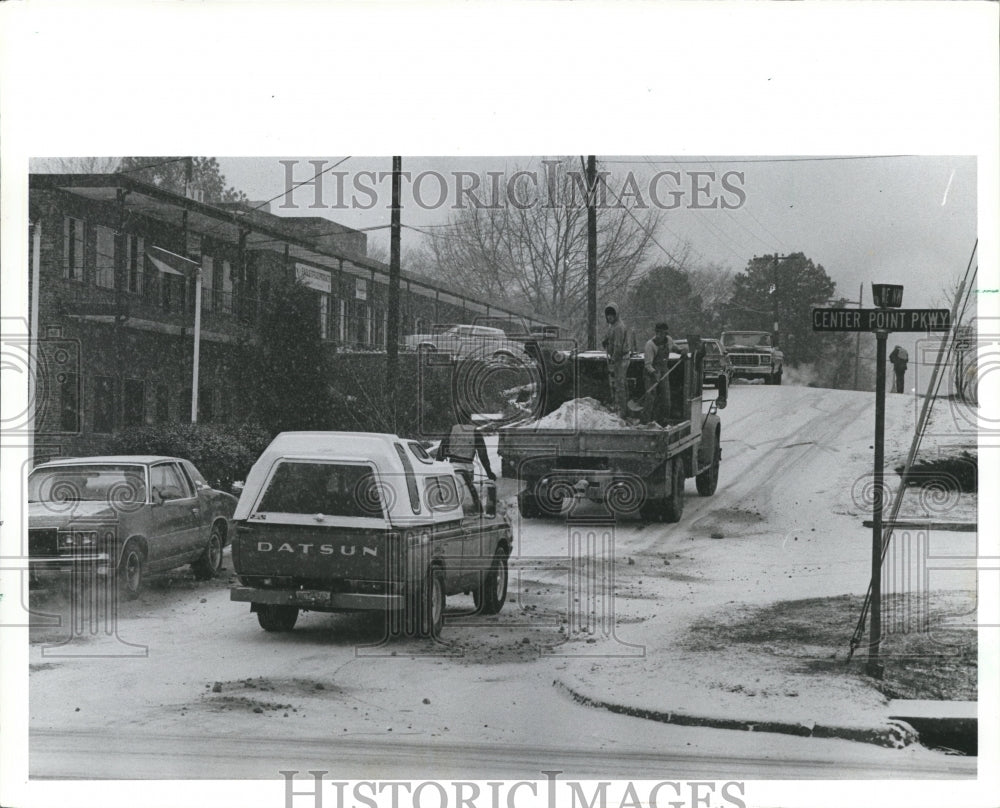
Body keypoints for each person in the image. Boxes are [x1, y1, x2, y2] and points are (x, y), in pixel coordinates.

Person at [436, 421, 496, 491]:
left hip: (454, 466)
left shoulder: (452, 429)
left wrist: (437, 470)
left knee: (455, 491)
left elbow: (441, 450)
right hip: (468, 468)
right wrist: (489, 472)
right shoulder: (475, 431)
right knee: (468, 492)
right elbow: (483, 455)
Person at [642, 322, 684, 424]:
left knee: (666, 398)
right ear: (656, 332)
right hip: (650, 373)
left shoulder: (669, 340)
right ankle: (647, 421)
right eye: (658, 332)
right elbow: (647, 364)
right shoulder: (650, 345)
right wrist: (654, 374)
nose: (660, 335)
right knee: (651, 398)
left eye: (663, 333)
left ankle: (664, 421)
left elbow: (675, 348)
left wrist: (682, 351)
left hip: (664, 370)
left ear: (666, 333)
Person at [601, 302, 631, 418]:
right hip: (617, 358)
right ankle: (621, 406)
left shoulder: (619, 327)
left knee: (619, 384)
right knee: (619, 383)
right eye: (608, 315)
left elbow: (618, 345)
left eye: (612, 315)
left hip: (621, 359)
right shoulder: (612, 326)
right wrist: (605, 341)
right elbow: (609, 337)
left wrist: (614, 359)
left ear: (616, 315)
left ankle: (622, 410)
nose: (609, 317)